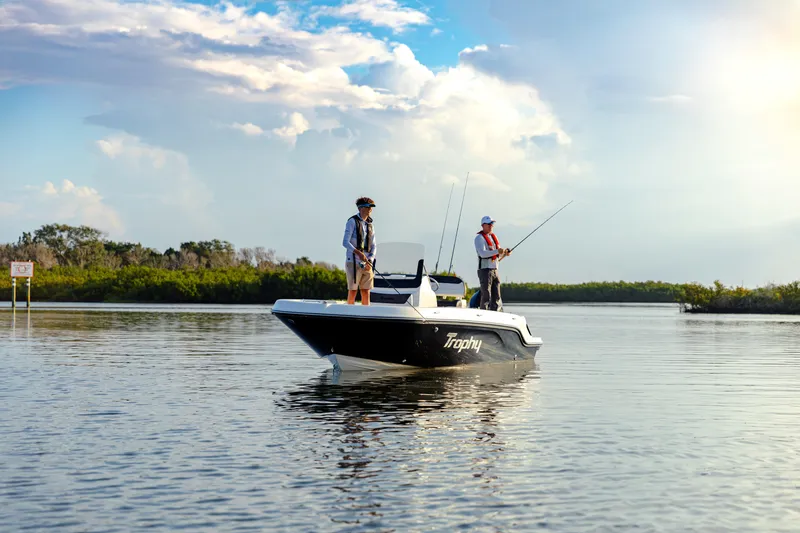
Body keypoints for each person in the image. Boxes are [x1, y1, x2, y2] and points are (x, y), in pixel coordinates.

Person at [342, 196, 377, 305]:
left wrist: (370, 260)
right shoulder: (352, 222)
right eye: (368, 207)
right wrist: (358, 253)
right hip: (353, 261)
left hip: (367, 263)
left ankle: (366, 315)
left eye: (371, 207)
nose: (370, 209)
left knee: (366, 291)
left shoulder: (370, 225)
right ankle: (349, 314)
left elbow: (374, 245)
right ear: (360, 208)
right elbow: (345, 242)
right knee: (352, 291)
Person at [474, 215, 511, 311]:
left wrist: (504, 254)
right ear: (483, 225)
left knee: (497, 295)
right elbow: (482, 254)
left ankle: (496, 313)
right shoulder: (479, 238)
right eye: (489, 224)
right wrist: (497, 251)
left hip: (495, 270)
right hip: (485, 270)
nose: (491, 226)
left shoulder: (493, 238)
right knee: (486, 295)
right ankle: (483, 313)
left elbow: (496, 257)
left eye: (492, 224)